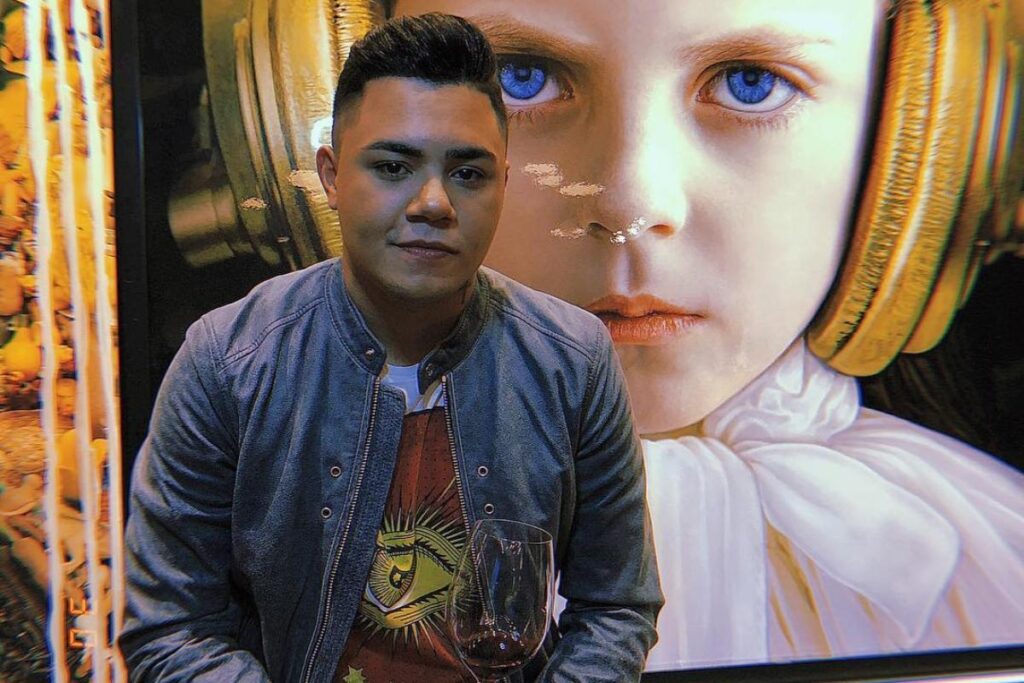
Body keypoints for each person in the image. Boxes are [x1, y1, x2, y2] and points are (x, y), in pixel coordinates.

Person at [378, 0, 1024, 671]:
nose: (631, 204)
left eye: (751, 82)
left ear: (921, 136)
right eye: (519, 78)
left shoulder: (995, 569)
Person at [120, 13, 661, 682]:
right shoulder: (228, 361)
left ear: (503, 185)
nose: (433, 202)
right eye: (393, 166)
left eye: (468, 174)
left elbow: (617, 605)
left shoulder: (572, 360)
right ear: (331, 176)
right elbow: (170, 627)